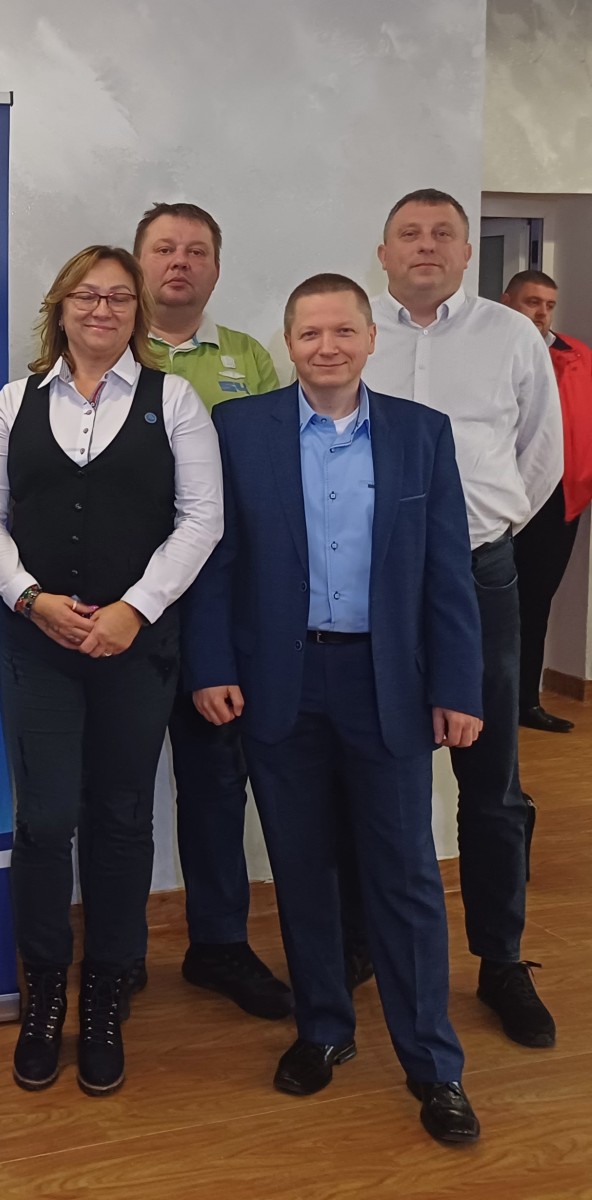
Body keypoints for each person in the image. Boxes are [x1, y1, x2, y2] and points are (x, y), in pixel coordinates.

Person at [184, 273, 484, 1145]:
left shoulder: (422, 434)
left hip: (388, 685)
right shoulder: (241, 431)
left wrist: (458, 686)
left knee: (406, 876)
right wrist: (211, 665)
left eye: (343, 331)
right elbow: (216, 560)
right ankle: (323, 1029)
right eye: (310, 333)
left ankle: (434, 1065)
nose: (327, 347)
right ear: (289, 343)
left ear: (369, 338)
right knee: (301, 867)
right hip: (281, 684)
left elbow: (447, 573)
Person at [0, 245, 222, 1096]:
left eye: (118, 297)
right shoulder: (14, 402)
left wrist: (134, 609)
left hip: (134, 649)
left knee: (119, 821)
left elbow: (202, 520)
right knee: (43, 823)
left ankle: (107, 993)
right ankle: (45, 996)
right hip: (38, 645)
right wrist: (29, 597)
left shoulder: (173, 401)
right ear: (61, 308)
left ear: (136, 312)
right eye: (87, 295)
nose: (102, 309)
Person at [362, 189, 562, 1049]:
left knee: (492, 780)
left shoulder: (511, 335)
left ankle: (501, 960)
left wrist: (485, 530)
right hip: (370, 583)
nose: (427, 246)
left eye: (444, 232)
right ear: (383, 251)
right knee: (370, 764)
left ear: (466, 250)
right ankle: (362, 941)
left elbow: (540, 454)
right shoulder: (356, 331)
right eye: (409, 233)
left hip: (479, 576)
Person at [130, 201, 292, 1018]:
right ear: (139, 263)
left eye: (196, 251)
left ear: (216, 269)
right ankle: (118, 952)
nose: (180, 263)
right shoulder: (105, 346)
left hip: (215, 605)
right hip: (123, 605)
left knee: (216, 785)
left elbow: (268, 485)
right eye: (164, 249)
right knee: (118, 790)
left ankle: (220, 944)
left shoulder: (249, 358)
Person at [500, 268, 592, 734]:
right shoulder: (491, 349)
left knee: (535, 604)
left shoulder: (578, 357)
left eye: (548, 305)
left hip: (558, 503)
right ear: (507, 302)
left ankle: (524, 702)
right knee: (487, 604)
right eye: (531, 302)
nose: (541, 313)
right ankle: (483, 701)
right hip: (500, 500)